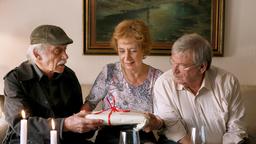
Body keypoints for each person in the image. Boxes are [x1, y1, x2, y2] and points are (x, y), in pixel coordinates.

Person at [3, 25, 103, 144]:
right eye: (57, 51)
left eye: (65, 49)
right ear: (37, 54)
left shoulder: (69, 76)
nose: (66, 56)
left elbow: (77, 119)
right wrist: (64, 125)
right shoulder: (15, 78)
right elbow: (20, 124)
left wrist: (88, 124)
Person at [145, 33, 248, 144]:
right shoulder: (164, 83)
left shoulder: (227, 82)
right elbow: (173, 126)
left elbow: (236, 128)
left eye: (182, 65)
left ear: (202, 67)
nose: (174, 71)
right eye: (173, 62)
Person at [81, 19, 163, 144]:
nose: (127, 57)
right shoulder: (109, 71)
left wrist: (154, 123)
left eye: (133, 50)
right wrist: (82, 120)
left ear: (144, 49)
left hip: (143, 135)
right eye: (122, 51)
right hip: (109, 135)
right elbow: (90, 103)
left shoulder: (157, 78)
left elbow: (163, 118)